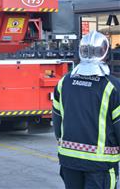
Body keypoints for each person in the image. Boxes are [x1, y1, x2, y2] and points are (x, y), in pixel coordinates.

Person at [53, 30, 119, 189]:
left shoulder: (64, 82)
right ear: (105, 54)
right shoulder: (112, 87)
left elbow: (57, 122)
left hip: (69, 161)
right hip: (100, 164)